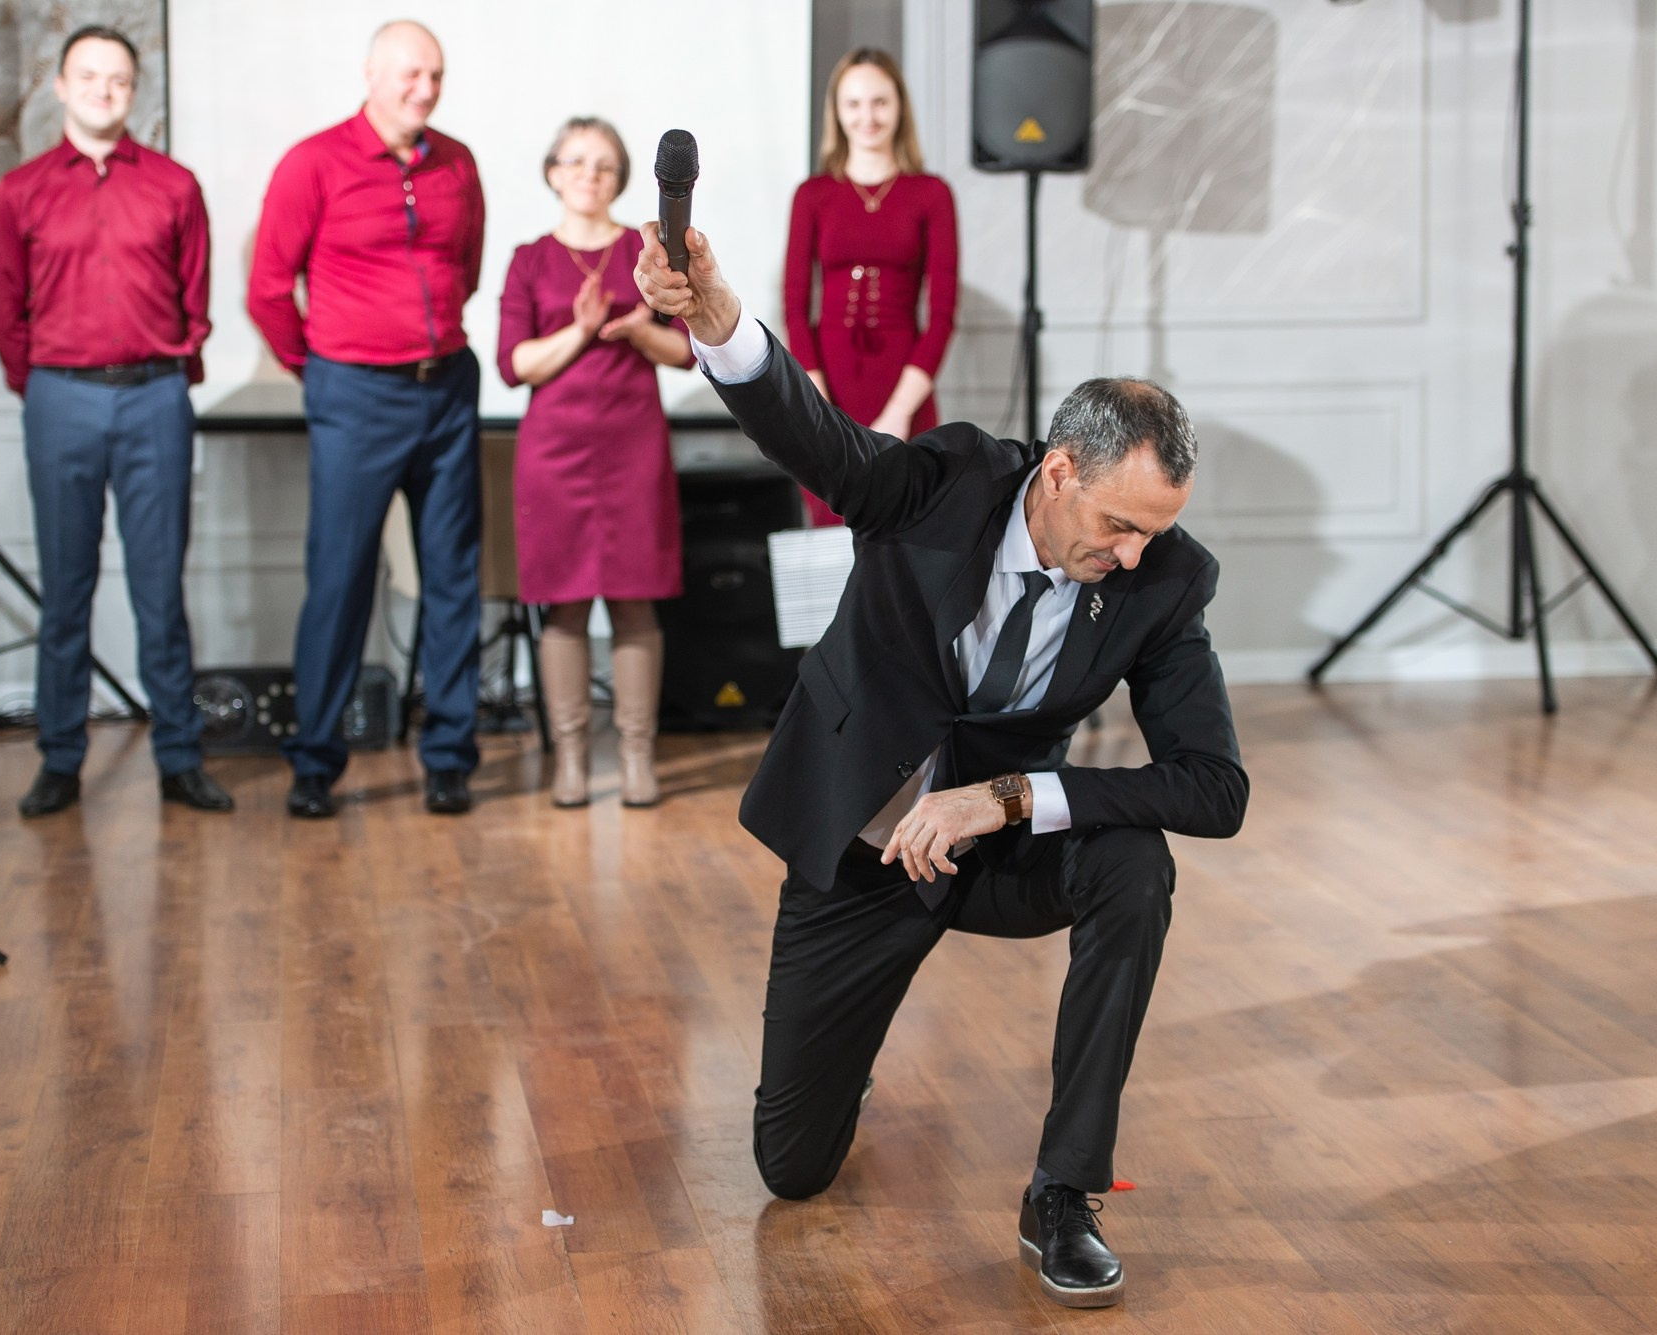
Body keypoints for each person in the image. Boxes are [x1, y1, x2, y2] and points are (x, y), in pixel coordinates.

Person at [634, 221, 1247, 1309]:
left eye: (1154, 534)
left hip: (993, 848)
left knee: (1133, 867)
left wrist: (1011, 797)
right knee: (793, 1169)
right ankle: (844, 1059)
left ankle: (1064, 1196)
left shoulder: (1162, 582)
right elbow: (810, 433)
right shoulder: (943, 482)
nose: (1133, 556)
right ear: (1056, 474)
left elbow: (1213, 786)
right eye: (1116, 525)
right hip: (864, 850)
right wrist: (715, 318)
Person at [0, 24, 232, 820]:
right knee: (67, 589)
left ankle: (178, 757)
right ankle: (60, 757)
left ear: (135, 91)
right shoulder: (18, 193)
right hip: (59, 398)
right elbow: (6, 313)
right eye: (88, 75)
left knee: (160, 589)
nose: (103, 89)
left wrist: (167, 373)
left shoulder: (173, 186)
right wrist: (46, 386)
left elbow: (196, 303)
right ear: (60, 85)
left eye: (118, 78)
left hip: (155, 397)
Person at [248, 20, 486, 818]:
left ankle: (448, 757)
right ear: (372, 74)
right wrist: (317, 371)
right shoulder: (313, 162)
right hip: (354, 394)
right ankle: (315, 759)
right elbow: (269, 292)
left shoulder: (458, 163)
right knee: (341, 580)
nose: (425, 89)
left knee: (452, 580)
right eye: (411, 74)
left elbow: (467, 269)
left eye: (436, 76)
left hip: (447, 387)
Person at [497, 118, 693, 808]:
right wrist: (578, 331)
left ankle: (637, 755)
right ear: (552, 172)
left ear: (621, 177)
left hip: (632, 445)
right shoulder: (528, 259)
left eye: (605, 165)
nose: (589, 174)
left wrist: (640, 329)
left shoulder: (646, 253)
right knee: (566, 604)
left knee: (635, 599)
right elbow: (514, 364)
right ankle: (572, 758)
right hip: (553, 454)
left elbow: (687, 351)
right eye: (576, 161)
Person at [783, 48, 958, 527]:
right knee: (833, 537)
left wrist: (901, 412)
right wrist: (817, 406)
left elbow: (942, 315)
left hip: (905, 386)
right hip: (827, 387)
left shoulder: (932, 193)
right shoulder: (812, 195)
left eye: (880, 102)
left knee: (909, 537)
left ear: (899, 106)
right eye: (853, 103)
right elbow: (795, 308)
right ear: (836, 112)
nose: (867, 116)